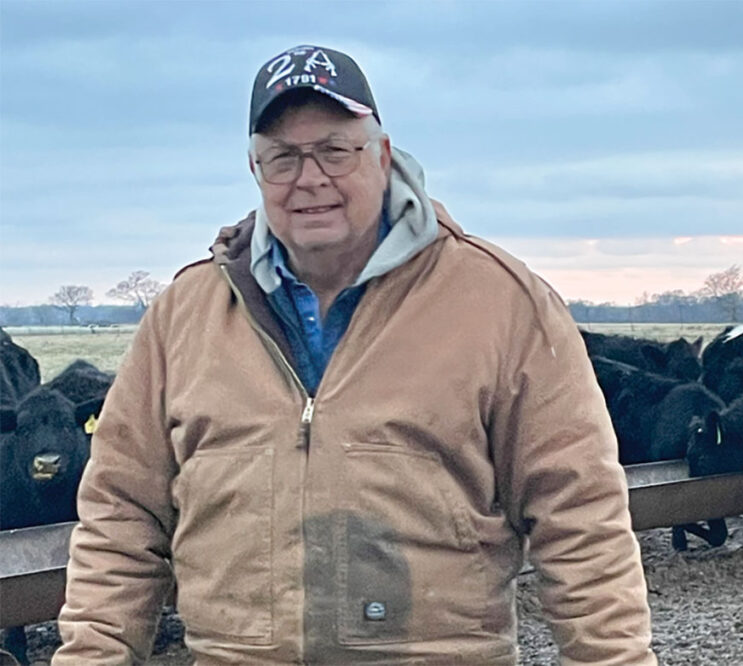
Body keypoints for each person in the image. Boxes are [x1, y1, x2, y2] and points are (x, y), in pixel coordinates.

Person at [53, 45, 656, 665]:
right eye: (283, 158)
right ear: (255, 171)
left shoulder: (500, 302)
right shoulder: (186, 314)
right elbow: (120, 517)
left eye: (335, 151)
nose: (310, 179)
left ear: (384, 155)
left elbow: (581, 517)